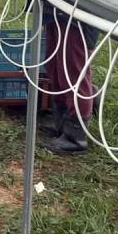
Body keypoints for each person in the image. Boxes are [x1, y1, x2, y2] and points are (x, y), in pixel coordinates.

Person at [40, 8, 98, 154]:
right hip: (57, 12)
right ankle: (62, 122)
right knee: (55, 67)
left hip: (76, 17)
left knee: (73, 72)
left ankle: (76, 136)